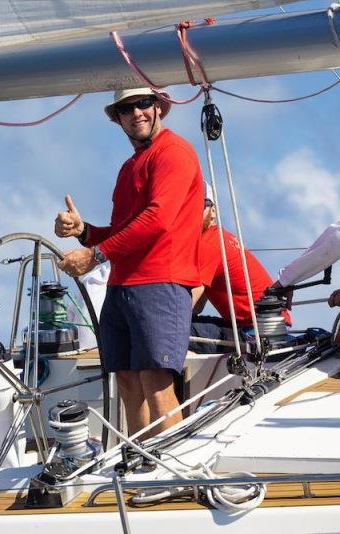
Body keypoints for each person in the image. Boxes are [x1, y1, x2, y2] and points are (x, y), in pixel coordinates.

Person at [54, 87, 203, 438]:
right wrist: (85, 232)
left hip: (160, 282)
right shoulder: (130, 166)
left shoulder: (174, 152)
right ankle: (141, 462)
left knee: (155, 380)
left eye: (143, 103)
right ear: (117, 118)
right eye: (126, 108)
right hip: (122, 285)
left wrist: (96, 255)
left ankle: (174, 471)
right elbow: (125, 229)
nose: (137, 112)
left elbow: (158, 219)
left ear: (159, 108)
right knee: (127, 378)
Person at [189, 185, 291, 353]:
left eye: (198, 206)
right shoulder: (220, 237)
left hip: (254, 333)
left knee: (161, 331)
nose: (190, 214)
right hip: (263, 328)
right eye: (186, 207)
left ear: (213, 211)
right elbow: (196, 307)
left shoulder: (208, 244)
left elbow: (185, 306)